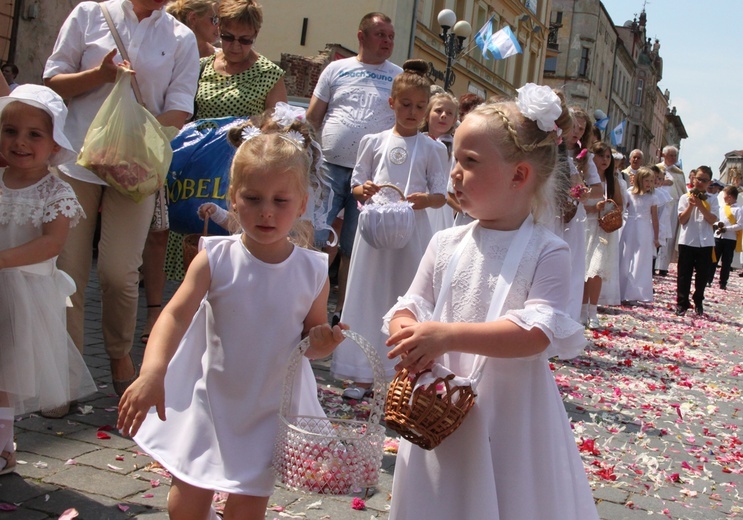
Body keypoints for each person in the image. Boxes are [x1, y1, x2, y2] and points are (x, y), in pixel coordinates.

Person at [383, 85, 598, 520]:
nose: (454, 174)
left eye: (470, 162)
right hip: (439, 398)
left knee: (504, 494)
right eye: (455, 160)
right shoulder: (445, 242)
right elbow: (412, 303)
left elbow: (536, 333)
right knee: (441, 495)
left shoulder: (548, 251)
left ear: (519, 176)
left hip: (509, 409)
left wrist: (445, 335)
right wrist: (407, 333)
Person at [118, 123, 346, 520]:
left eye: (280, 200)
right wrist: (153, 372)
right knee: (188, 496)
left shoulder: (311, 269)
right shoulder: (215, 257)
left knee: (248, 500)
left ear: (302, 203)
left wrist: (322, 343)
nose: (267, 211)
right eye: (253, 198)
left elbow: (311, 334)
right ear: (233, 199)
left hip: (269, 405)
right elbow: (175, 314)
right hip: (212, 395)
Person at [43, 0, 199, 399]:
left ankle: (118, 355)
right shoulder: (90, 14)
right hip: (78, 158)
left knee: (117, 272)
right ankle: (66, 376)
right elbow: (54, 81)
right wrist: (99, 74)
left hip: (136, 167)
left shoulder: (180, 37)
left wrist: (131, 137)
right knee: (69, 273)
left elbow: (180, 108)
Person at [156, 0, 288, 340]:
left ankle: (227, 325)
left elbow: (279, 127)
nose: (234, 47)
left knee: (232, 248)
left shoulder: (270, 73)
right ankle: (174, 321)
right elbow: (181, 110)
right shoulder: (199, 66)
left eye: (245, 40)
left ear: (256, 35)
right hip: (195, 170)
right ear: (217, 29)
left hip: (240, 174)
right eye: (227, 37)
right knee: (186, 239)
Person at [331, 60, 447, 398]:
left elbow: (441, 196)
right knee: (369, 292)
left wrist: (424, 199)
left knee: (406, 296)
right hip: (376, 233)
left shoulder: (433, 148)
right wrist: (363, 191)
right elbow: (355, 186)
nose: (412, 112)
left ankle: (403, 373)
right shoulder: (373, 141)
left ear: (426, 110)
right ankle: (362, 372)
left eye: (420, 107)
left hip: (412, 233)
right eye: (406, 104)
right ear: (392, 103)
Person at [0, 85, 98, 473]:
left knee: (5, 369)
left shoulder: (56, 191)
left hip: (23, 292)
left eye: (34, 135)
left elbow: (50, 244)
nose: (20, 142)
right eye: (10, 131)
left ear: (55, 145)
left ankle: (4, 444)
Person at [307, 12, 403, 325]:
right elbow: (312, 118)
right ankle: (311, 306)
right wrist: (305, 156)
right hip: (330, 168)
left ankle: (342, 312)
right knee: (319, 239)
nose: (387, 41)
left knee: (353, 246)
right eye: (380, 34)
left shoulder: (397, 77)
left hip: (373, 175)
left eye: (390, 35)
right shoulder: (336, 70)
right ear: (361, 36)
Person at [581, 141, 623, 328]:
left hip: (604, 229)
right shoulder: (585, 179)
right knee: (584, 270)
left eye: (608, 157)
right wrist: (593, 207)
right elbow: (577, 203)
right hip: (587, 226)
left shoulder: (612, 182)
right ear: (592, 157)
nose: (604, 160)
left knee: (596, 270)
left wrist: (611, 209)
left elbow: (621, 204)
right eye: (601, 156)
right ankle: (581, 310)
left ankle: (593, 311)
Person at [675, 166, 719, 316]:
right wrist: (691, 205)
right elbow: (682, 219)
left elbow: (713, 219)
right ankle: (682, 303)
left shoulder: (712, 199)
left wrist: (700, 205)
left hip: (706, 242)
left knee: (702, 276)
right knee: (683, 274)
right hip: (688, 240)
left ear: (709, 183)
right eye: (698, 179)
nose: (700, 182)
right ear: (693, 179)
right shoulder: (684, 197)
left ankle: (698, 300)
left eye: (704, 180)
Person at [618, 167, 659, 303]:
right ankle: (621, 290)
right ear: (639, 180)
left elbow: (655, 218)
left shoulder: (653, 197)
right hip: (630, 227)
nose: (649, 183)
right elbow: (624, 208)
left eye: (651, 181)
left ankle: (633, 292)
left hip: (645, 229)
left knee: (639, 260)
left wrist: (656, 237)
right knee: (626, 257)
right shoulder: (630, 193)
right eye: (646, 180)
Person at [421, 90, 458, 233]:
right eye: (438, 111)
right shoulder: (418, 141)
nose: (443, 115)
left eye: (449, 113)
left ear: (455, 120)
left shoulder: (455, 147)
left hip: (443, 206)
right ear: (427, 115)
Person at [655, 145, 686, 276]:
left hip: (672, 206)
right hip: (657, 205)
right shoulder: (656, 168)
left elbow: (682, 190)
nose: (673, 158)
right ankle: (654, 263)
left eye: (675, 156)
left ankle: (663, 265)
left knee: (669, 234)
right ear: (664, 155)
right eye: (671, 155)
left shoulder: (678, 173)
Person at [711, 185, 742, 289]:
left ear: (730, 196)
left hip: (730, 238)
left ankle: (723, 282)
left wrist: (727, 229)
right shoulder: (722, 207)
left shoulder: (738, 210)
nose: (722, 197)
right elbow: (716, 219)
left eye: (724, 195)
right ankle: (708, 279)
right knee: (713, 260)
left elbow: (740, 225)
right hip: (718, 237)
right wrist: (716, 225)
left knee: (726, 262)